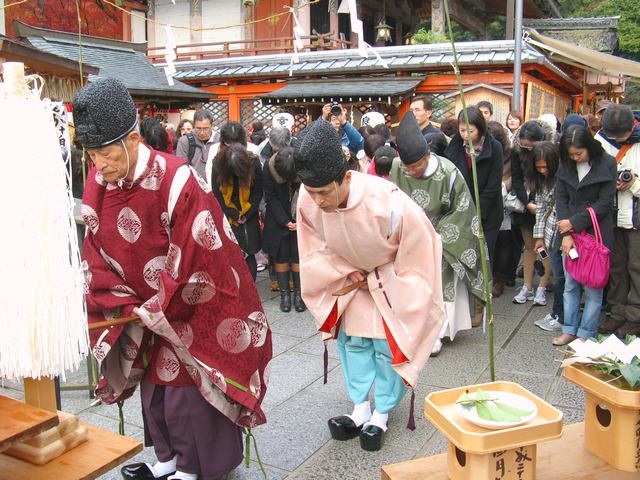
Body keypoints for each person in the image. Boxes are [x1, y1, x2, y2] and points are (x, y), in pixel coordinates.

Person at [74, 78, 271, 480]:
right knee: (154, 388)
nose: (101, 166)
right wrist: (122, 300)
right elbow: (94, 245)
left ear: (132, 139)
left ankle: (194, 465)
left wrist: (162, 301)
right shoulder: (97, 182)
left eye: (107, 154)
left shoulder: (176, 178)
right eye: (93, 155)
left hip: (190, 301)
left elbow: (199, 247)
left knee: (185, 389)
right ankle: (166, 457)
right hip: (139, 307)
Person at [295, 120, 444, 451]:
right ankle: (360, 407)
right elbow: (313, 246)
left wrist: (380, 278)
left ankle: (382, 413)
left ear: (346, 177)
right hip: (348, 280)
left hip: (389, 279)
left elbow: (421, 247)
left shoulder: (388, 201)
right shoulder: (307, 200)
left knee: (384, 348)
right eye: (311, 192)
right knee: (353, 344)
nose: (317, 201)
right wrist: (345, 273)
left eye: (323, 192)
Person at [390, 112, 485, 352]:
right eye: (407, 167)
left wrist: (436, 235)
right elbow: (390, 203)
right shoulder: (397, 168)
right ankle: (412, 329)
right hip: (409, 237)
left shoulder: (447, 171)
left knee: (439, 286)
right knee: (411, 285)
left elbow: (464, 208)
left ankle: (436, 334)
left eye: (416, 166)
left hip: (441, 238)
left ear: (427, 155)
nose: (411, 172)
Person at [553, 125, 616, 346]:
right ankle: (568, 328)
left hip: (595, 233)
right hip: (570, 232)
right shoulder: (566, 164)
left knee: (593, 286)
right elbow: (561, 199)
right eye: (570, 154)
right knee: (570, 283)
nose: (575, 157)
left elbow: (605, 203)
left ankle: (586, 332)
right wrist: (567, 231)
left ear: (588, 147)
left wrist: (574, 222)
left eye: (579, 153)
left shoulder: (607, 163)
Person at [597, 104, 640, 337]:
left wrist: (633, 183)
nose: (617, 139)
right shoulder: (602, 139)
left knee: (636, 267)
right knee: (616, 266)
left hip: (635, 217)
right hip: (611, 214)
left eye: (620, 136)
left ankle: (635, 316)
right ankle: (616, 312)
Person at [443, 105, 504, 260]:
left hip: (487, 213)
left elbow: (493, 186)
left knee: (484, 258)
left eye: (470, 131)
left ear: (481, 128)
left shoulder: (494, 147)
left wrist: (476, 213)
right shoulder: (455, 146)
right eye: (462, 130)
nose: (465, 135)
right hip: (462, 213)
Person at [509, 120, 554, 305]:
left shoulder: (549, 151)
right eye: (524, 145)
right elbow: (516, 179)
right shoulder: (517, 151)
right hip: (527, 205)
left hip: (547, 205)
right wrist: (527, 203)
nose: (527, 148)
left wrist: (542, 206)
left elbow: (550, 178)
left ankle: (542, 286)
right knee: (529, 246)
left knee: (543, 248)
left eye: (530, 145)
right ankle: (527, 285)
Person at [211, 142, 263, 280]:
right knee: (230, 252)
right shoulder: (218, 164)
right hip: (227, 212)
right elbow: (217, 193)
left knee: (249, 251)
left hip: (248, 209)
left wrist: (247, 213)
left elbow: (258, 192)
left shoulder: (253, 163)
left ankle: (250, 288)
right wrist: (232, 214)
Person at [262, 146, 305, 313]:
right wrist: (285, 221)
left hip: (300, 215)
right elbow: (270, 197)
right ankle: (285, 295)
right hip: (277, 218)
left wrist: (298, 219)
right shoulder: (269, 167)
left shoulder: (301, 164)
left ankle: (299, 295)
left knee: (298, 254)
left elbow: (308, 192)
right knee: (281, 255)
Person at [529, 142, 565, 332]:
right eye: (539, 167)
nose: (542, 170)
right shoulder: (542, 181)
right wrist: (539, 237)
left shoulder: (564, 177)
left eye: (546, 166)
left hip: (565, 233)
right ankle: (557, 313)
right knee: (556, 272)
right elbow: (542, 207)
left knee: (562, 278)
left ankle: (561, 314)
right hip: (550, 233)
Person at [487, 121, 521, 297]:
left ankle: (500, 278)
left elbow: (516, 176)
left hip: (504, 201)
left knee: (504, 241)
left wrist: (502, 187)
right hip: (486, 200)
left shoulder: (511, 154)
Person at [175, 110, 217, 180]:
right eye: (198, 128)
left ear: (212, 125)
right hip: (194, 186)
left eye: (206, 128)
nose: (202, 132)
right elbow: (181, 169)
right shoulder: (184, 141)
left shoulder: (219, 140)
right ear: (194, 125)